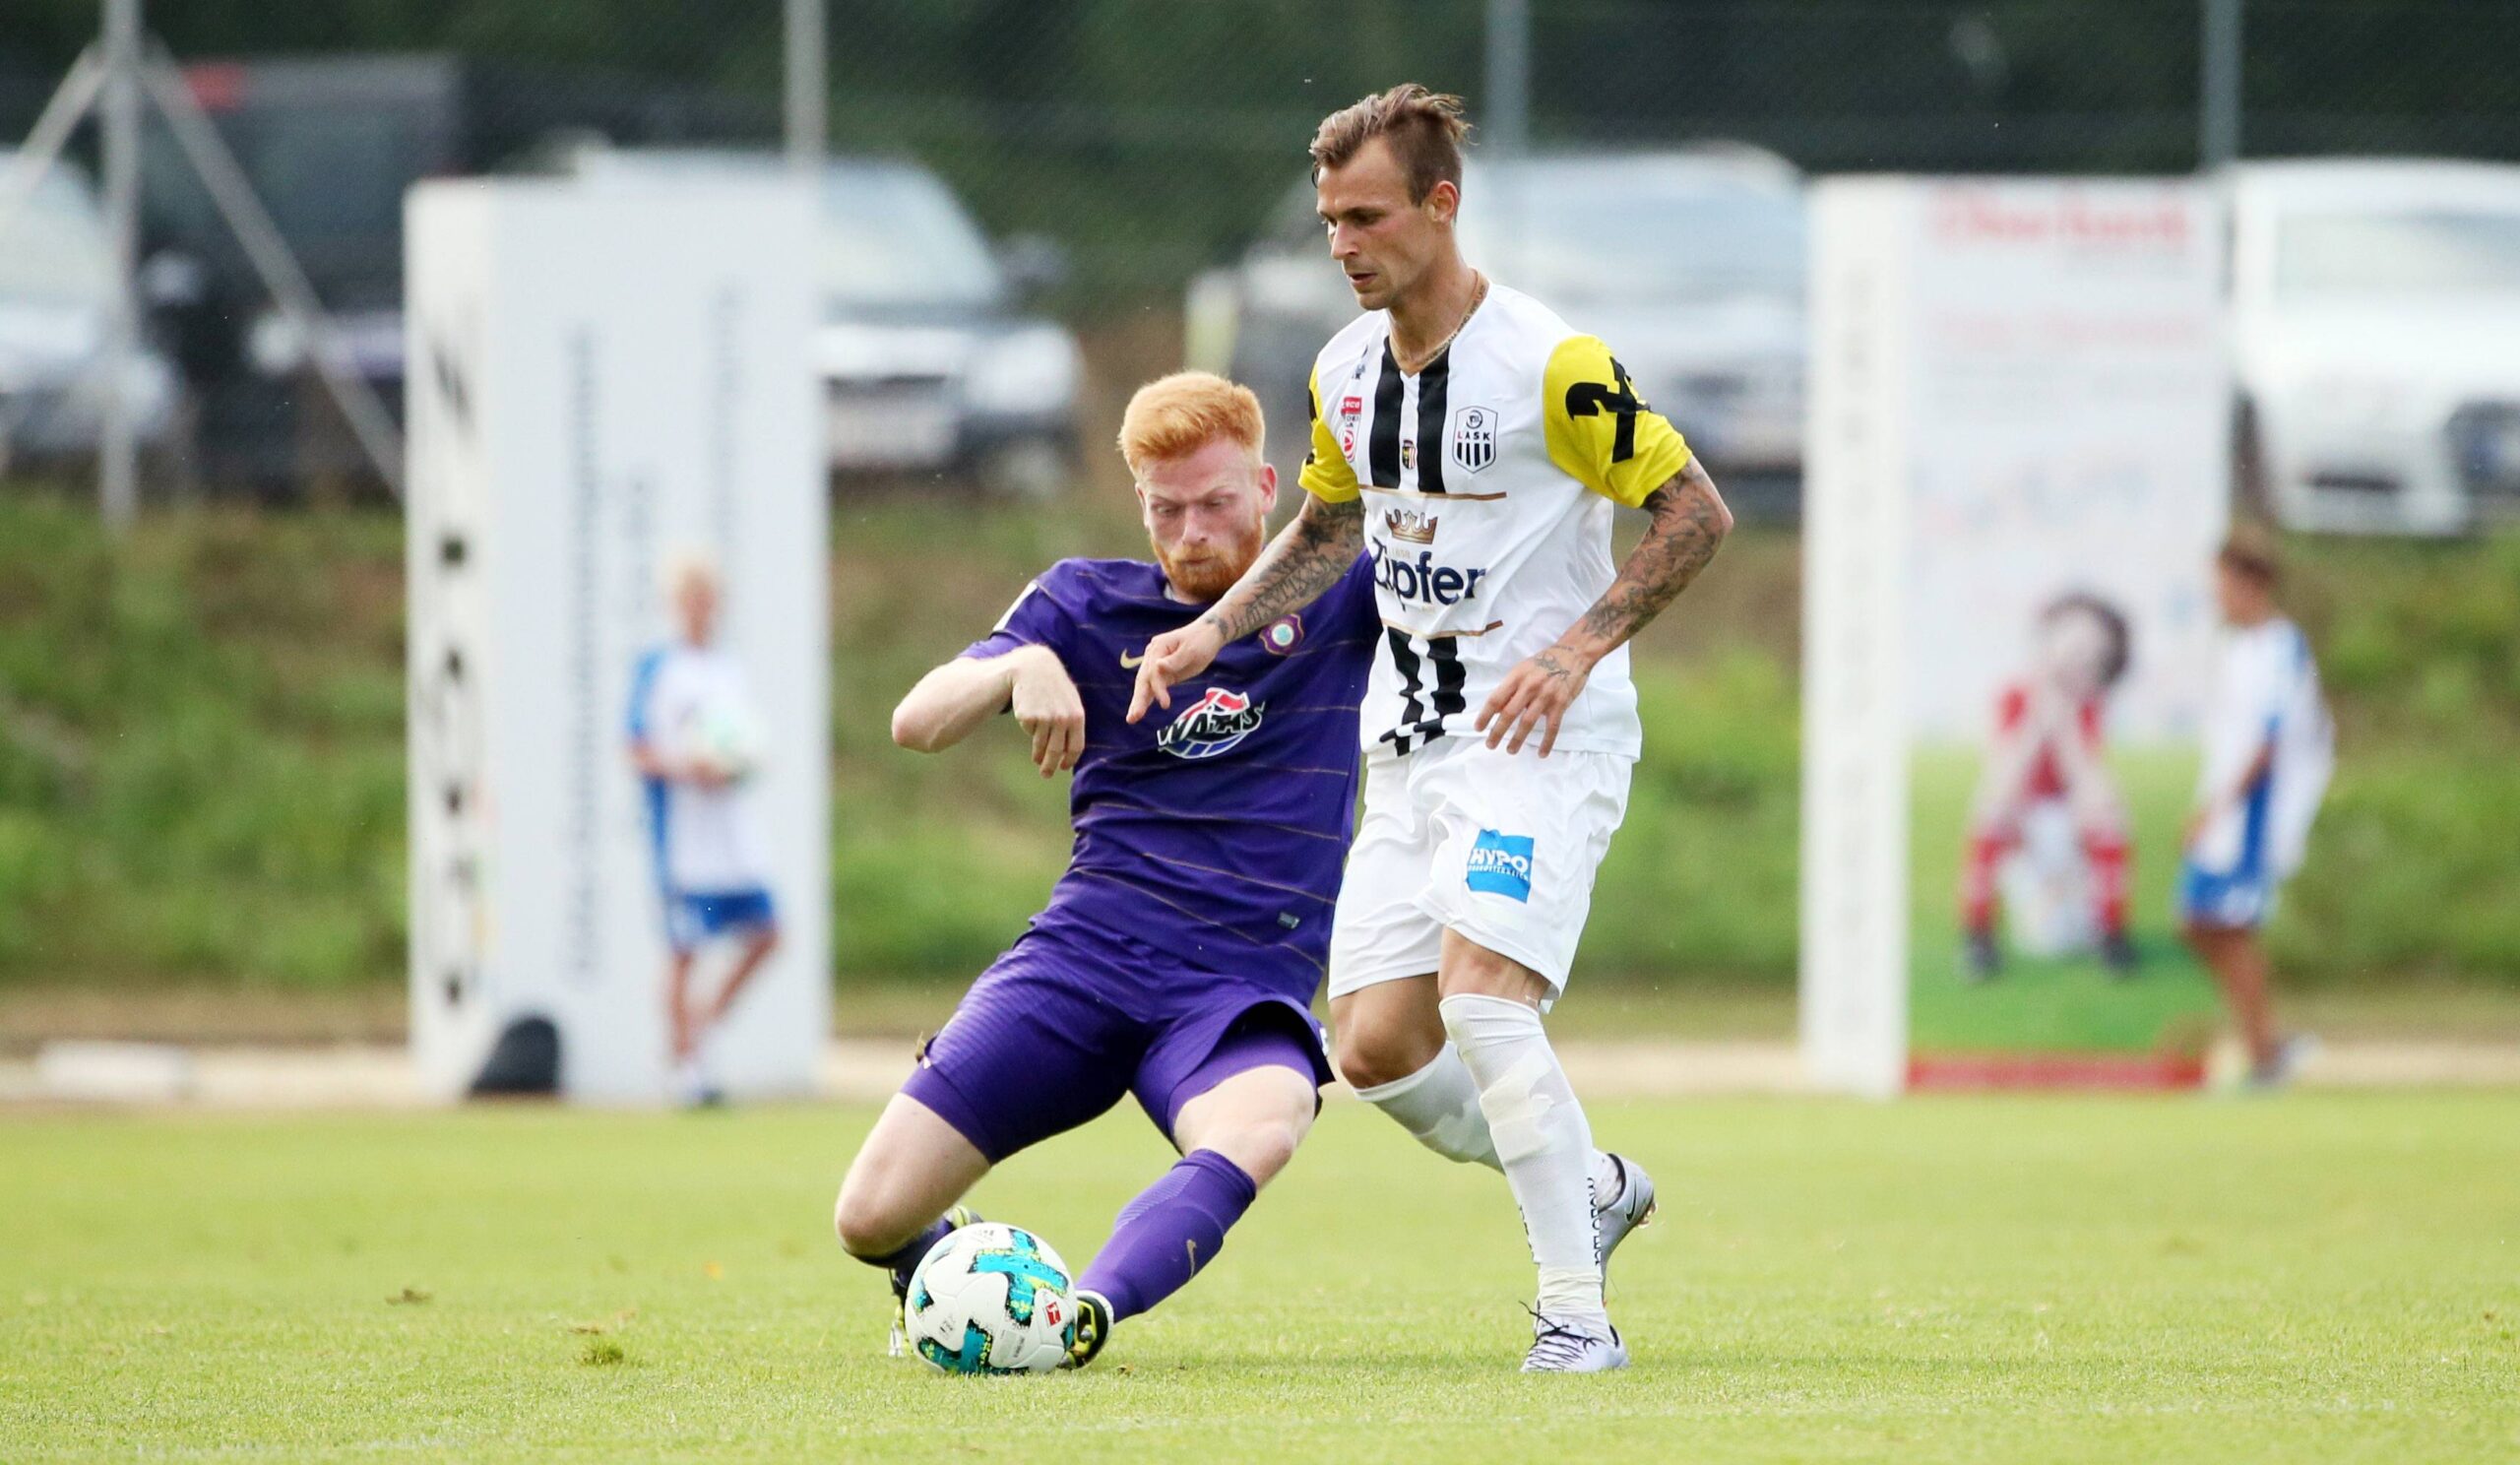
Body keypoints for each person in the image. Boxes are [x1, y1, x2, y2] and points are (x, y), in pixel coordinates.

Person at [1128, 85, 1732, 1372]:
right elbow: (1331, 530)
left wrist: (1576, 650)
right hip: (1403, 749)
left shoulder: (1551, 365)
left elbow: (1693, 512)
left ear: (1440, 206)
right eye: (1328, 221)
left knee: (1485, 1005)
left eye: (1366, 217)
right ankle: (1598, 1188)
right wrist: (1210, 630)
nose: (1342, 244)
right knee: (1378, 1048)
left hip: (1538, 739)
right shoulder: (1342, 371)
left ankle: (1576, 1316)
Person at [832, 372, 1379, 1368]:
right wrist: (1016, 666)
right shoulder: (1083, 604)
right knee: (868, 1218)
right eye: (1167, 509)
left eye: (1216, 502)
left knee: (1266, 1121)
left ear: (1267, 487)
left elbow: (1469, 578)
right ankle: (958, 1278)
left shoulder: (1344, 591)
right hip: (1082, 963)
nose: (1193, 532)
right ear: (1140, 504)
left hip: (1236, 983)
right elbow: (915, 723)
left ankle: (1079, 1317)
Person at [627, 552, 784, 1108]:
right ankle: (684, 1070)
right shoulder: (657, 668)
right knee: (684, 948)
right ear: (675, 604)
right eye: (691, 597)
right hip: (684, 836)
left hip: (729, 832)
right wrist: (686, 767)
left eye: (709, 597)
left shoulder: (728, 669)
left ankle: (699, 1033)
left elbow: (744, 743)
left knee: (768, 933)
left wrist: (741, 765)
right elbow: (637, 750)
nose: (701, 608)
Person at [2180, 530, 2332, 1090]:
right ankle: (2265, 1042)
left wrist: (2216, 810)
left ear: (2251, 583)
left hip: (2253, 815)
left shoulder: (2278, 646)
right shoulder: (2237, 648)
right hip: (2226, 810)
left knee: (2231, 925)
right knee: (2198, 922)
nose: (2217, 594)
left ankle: (2266, 1051)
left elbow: (2267, 745)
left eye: (2223, 582)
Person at [1960, 594, 2138, 981]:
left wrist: (2064, 721)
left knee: (2111, 815)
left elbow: (2088, 780)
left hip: (2065, 816)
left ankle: (2112, 931)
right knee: (1989, 814)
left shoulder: (2088, 706)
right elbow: (2004, 780)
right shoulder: (2015, 697)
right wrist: (2041, 714)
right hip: (2025, 815)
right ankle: (1977, 933)